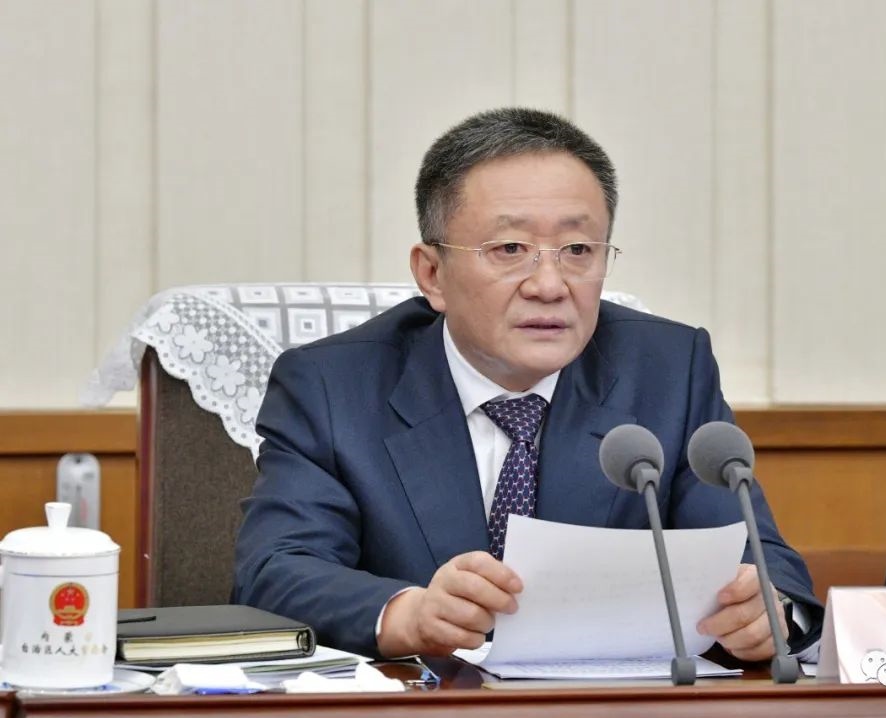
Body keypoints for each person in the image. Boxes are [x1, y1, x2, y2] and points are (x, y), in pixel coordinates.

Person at [233, 107, 823, 661]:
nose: (549, 285)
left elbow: (759, 559)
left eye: (578, 250)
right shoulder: (333, 386)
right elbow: (276, 570)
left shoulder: (668, 370)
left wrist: (766, 610)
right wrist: (407, 614)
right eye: (510, 249)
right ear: (432, 273)